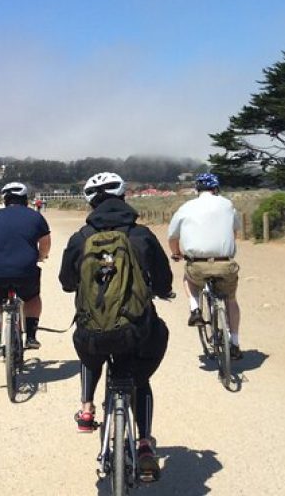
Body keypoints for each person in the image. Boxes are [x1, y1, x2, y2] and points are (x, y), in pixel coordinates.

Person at [59, 172, 172, 481]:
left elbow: (66, 283)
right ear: (123, 197)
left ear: (90, 202)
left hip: (92, 334)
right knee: (140, 377)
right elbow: (164, 281)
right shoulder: (142, 235)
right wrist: (161, 291)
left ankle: (86, 408)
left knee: (88, 349)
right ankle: (145, 443)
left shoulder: (81, 237)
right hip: (137, 331)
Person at [167, 172, 243, 359]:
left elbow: (172, 237)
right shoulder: (227, 204)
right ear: (215, 188)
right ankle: (234, 342)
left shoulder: (186, 207)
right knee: (231, 299)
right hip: (225, 263)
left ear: (197, 190)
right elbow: (235, 230)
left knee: (189, 279)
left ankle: (194, 309)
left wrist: (176, 253)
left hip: (198, 264)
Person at [0, 181, 51, 357]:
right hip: (25, 270)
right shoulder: (36, 216)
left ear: (5, 199)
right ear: (26, 199)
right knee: (32, 297)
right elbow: (45, 243)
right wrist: (41, 256)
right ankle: (31, 336)